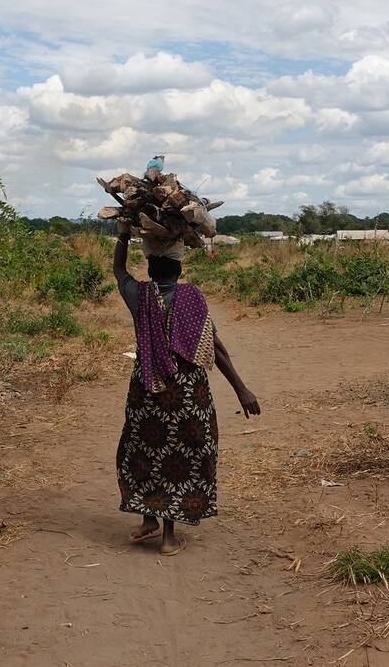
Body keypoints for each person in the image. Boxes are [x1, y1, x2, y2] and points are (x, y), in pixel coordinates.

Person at [111, 219, 259, 556]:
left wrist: (122, 235)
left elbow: (118, 269)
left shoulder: (139, 295)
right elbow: (216, 347)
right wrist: (242, 390)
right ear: (179, 268)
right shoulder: (192, 297)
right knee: (182, 455)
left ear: (149, 265)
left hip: (146, 388)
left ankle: (149, 518)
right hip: (188, 393)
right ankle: (166, 535)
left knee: (145, 450)